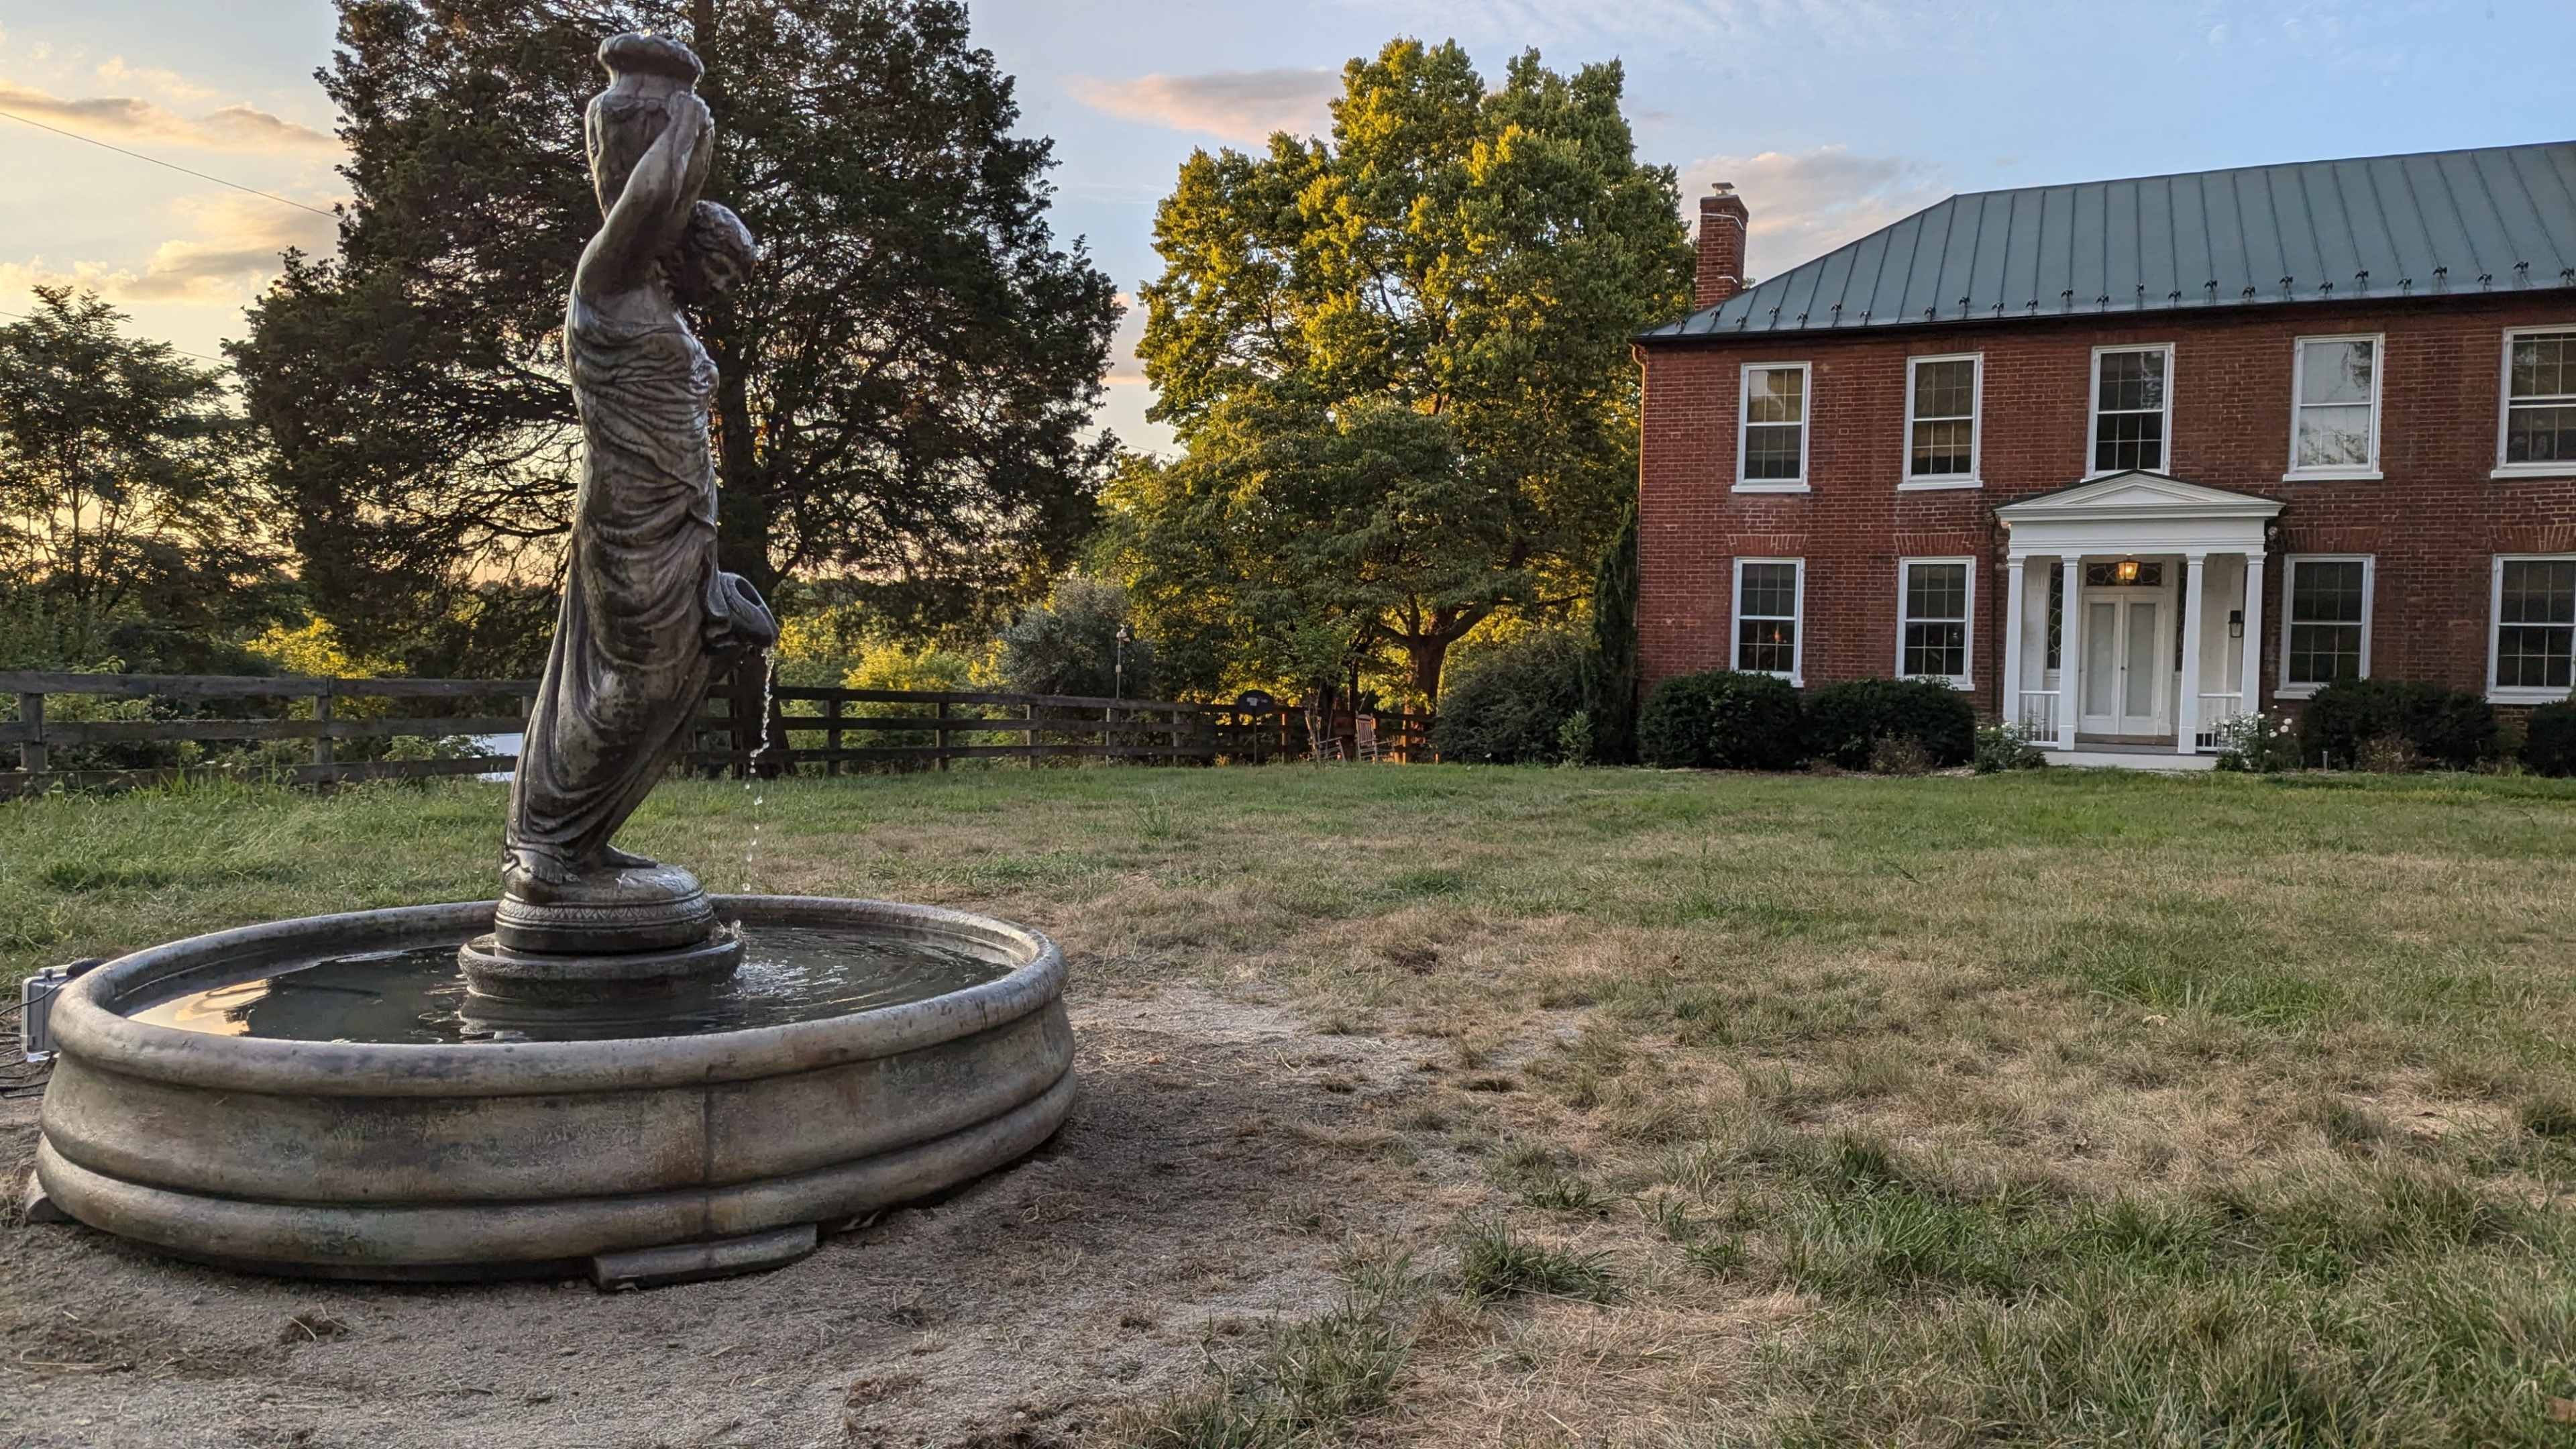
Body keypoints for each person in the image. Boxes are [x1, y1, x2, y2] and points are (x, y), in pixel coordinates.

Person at [504, 38, 775, 896]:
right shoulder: (608, 286)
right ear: (684, 242)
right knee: (637, 680)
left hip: (683, 525)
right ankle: (546, 846)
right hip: (628, 526)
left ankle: (583, 838)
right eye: (727, 266)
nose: (732, 286)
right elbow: (649, 191)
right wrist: (685, 111)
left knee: (673, 682)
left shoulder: (667, 313)